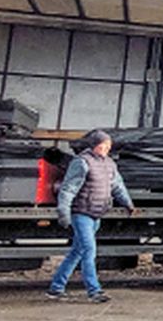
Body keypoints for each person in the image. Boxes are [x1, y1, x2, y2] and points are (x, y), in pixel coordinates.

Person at [49, 129, 135, 303]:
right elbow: (68, 189)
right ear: (95, 145)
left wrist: (128, 203)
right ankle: (94, 291)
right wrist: (63, 212)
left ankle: (56, 288)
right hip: (82, 214)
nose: (106, 149)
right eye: (103, 145)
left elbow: (117, 186)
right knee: (89, 251)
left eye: (108, 146)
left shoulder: (109, 164)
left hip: (97, 214)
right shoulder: (81, 162)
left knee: (77, 252)